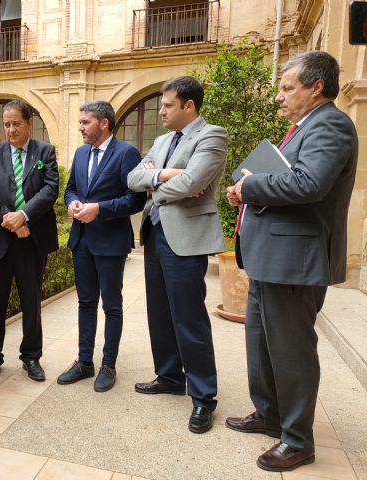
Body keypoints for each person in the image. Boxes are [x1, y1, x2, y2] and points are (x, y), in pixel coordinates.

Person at [225, 51, 358, 472]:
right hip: (272, 258)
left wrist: (251, 186)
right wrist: (248, 188)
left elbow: (309, 182)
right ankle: (270, 416)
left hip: (295, 261)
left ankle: (298, 440)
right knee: (262, 345)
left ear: (316, 87)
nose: (279, 98)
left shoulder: (332, 124)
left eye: (287, 88)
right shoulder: (303, 127)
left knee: (292, 352)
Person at [126, 76, 227, 434]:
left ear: (189, 105)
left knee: (189, 317)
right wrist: (167, 175)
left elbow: (195, 182)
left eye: (168, 105)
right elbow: (132, 178)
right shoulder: (162, 140)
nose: (162, 110)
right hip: (155, 234)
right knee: (160, 313)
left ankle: (203, 397)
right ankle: (169, 376)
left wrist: (159, 184)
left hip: (185, 238)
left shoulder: (212, 136)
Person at [58, 100, 146, 392]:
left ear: (104, 123)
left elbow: (135, 200)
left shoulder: (126, 153)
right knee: (85, 303)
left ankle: (109, 364)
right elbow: (71, 188)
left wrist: (100, 208)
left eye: (85, 122)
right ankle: (85, 362)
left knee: (112, 306)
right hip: (81, 240)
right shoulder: (81, 153)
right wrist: (73, 202)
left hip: (110, 242)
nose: (80, 127)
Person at [0, 100, 59, 382]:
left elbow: (51, 190)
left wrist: (24, 216)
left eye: (16, 124)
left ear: (29, 124)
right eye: (7, 124)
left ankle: (31, 357)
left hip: (32, 239)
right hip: (1, 239)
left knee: (31, 301)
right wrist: (11, 220)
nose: (10, 130)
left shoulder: (45, 151)